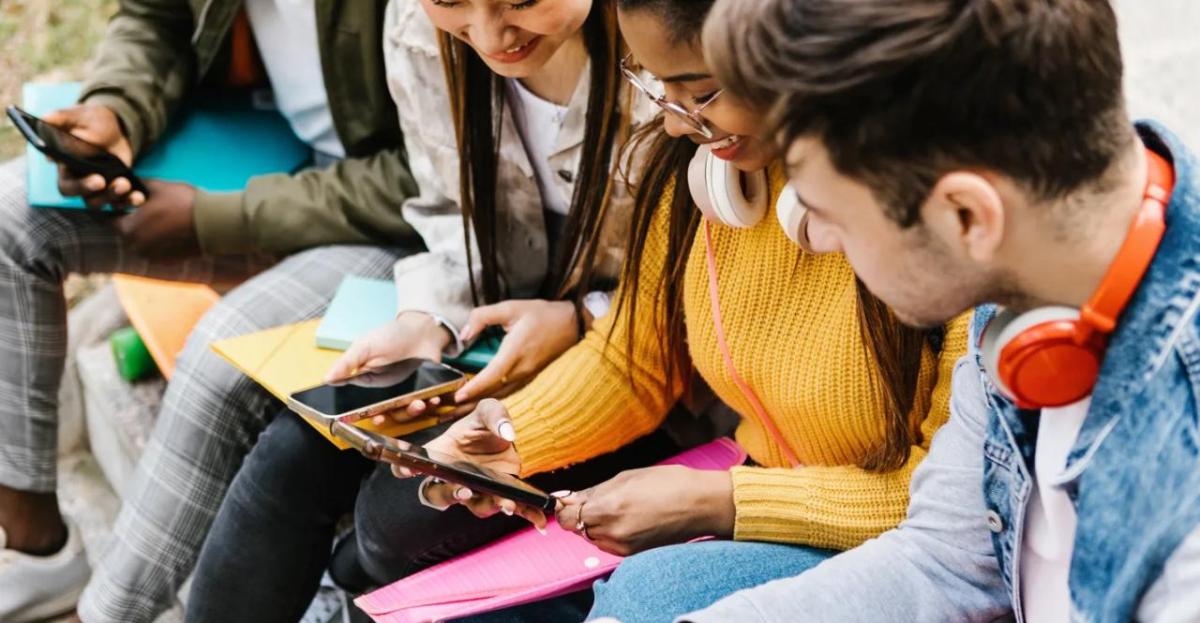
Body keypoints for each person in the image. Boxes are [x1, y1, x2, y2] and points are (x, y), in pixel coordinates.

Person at [406, 0, 971, 620]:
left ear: (809, 60)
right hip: (759, 491)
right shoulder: (701, 176)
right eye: (655, 84)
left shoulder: (953, 226)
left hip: (900, 546)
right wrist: (511, 439)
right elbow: (633, 361)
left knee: (645, 597)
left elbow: (950, 518)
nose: (675, 124)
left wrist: (722, 500)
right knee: (396, 526)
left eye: (700, 92)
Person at [680, 0, 1200, 621]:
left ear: (966, 216)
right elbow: (942, 561)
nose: (817, 238)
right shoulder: (1027, 285)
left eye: (832, 213)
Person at [183, 0, 685, 620]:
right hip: (500, 337)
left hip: (644, 366)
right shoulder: (418, 28)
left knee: (391, 523)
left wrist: (583, 318)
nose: (489, 35)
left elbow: (700, 279)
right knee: (296, 450)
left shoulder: (671, 49)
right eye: (452, 4)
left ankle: (349, 585)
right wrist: (430, 320)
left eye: (522, 2)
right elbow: (447, 206)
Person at [0, 1, 426, 621]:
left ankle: (111, 612)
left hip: (400, 220)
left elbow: (438, 173)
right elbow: (155, 16)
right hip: (276, 150)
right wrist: (116, 108)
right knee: (14, 219)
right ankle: (37, 547)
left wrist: (213, 220)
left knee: (219, 353)